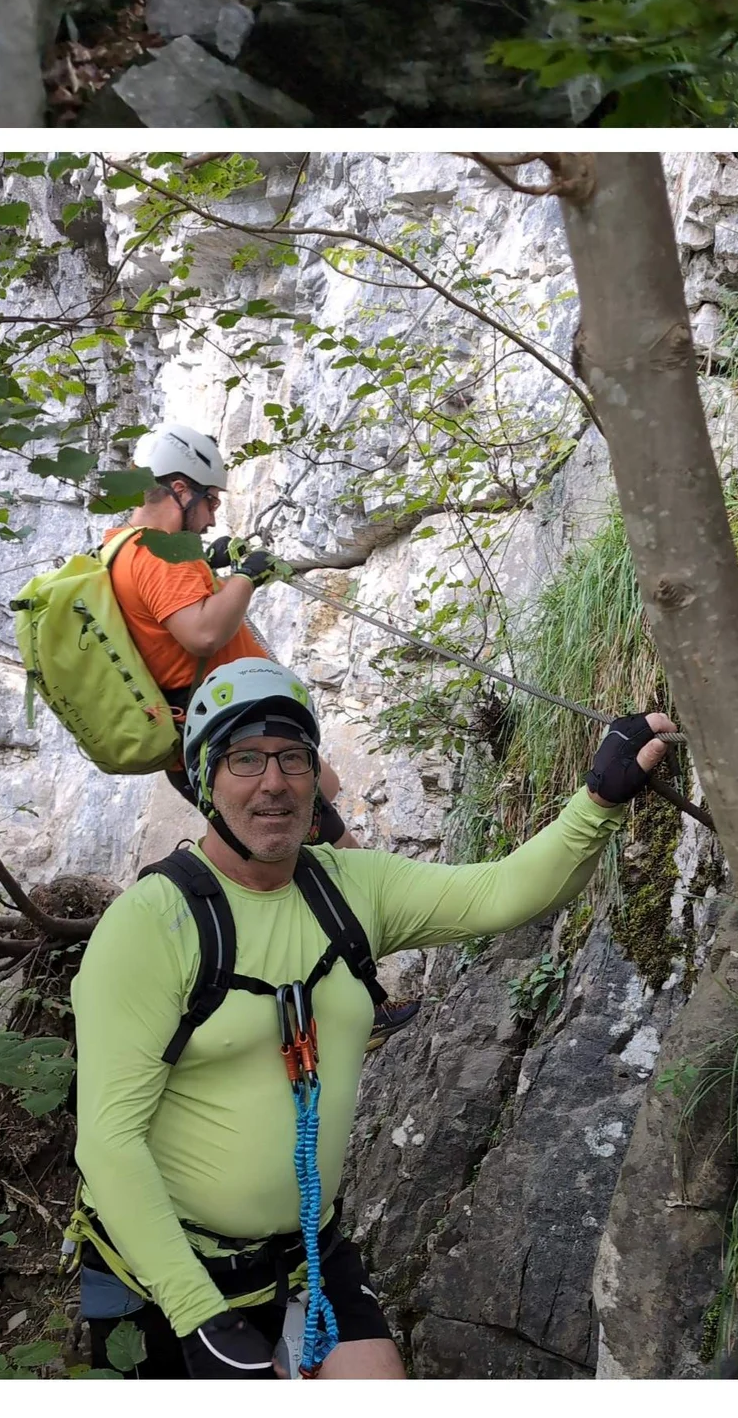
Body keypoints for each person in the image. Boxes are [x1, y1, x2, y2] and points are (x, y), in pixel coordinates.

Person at [69, 656, 679, 1378]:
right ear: (206, 779)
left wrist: (599, 800)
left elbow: (504, 893)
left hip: (304, 1253)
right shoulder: (150, 926)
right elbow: (109, 1143)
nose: (274, 782)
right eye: (246, 759)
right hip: (160, 1267)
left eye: (294, 758)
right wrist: (197, 1310)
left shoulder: (350, 889)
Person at [110, 424, 352, 841]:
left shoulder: (123, 546)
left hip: (223, 733)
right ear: (182, 490)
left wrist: (207, 566)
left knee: (327, 786)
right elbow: (202, 634)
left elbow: (166, 616)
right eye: (211, 502)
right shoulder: (159, 552)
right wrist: (246, 576)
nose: (213, 517)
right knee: (340, 857)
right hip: (235, 738)